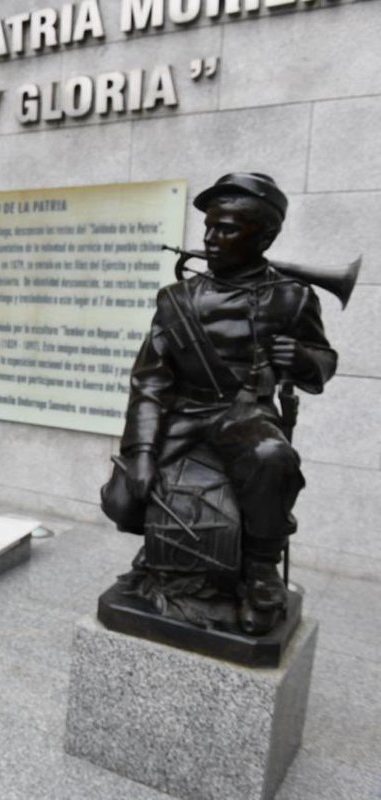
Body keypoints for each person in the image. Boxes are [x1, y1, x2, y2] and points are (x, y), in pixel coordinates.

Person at [101, 172, 337, 635]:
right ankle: (163, 558)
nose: (210, 238)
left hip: (245, 414)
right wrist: (143, 452)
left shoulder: (292, 298)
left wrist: (304, 359)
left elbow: (323, 363)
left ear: (264, 238)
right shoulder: (176, 299)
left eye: (226, 229)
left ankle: (261, 570)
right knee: (125, 499)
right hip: (184, 414)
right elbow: (149, 381)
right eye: (209, 227)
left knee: (272, 458)